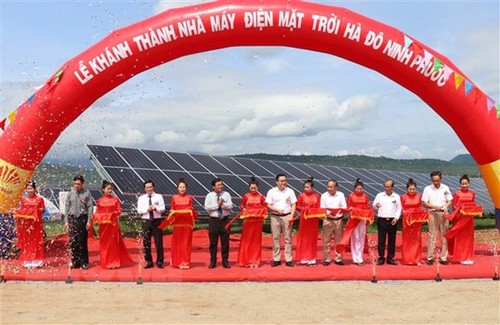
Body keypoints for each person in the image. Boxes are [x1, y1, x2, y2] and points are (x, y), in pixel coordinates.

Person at [92, 180, 133, 269]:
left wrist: (113, 214)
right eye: (108, 189)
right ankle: (105, 262)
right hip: (103, 225)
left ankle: (114, 263)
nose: (110, 190)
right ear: (103, 189)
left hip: (113, 224)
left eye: (111, 189)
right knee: (104, 244)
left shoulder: (115, 199)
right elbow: (98, 212)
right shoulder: (99, 200)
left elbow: (119, 210)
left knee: (113, 244)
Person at [160, 178, 198, 269]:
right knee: (177, 243)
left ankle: (185, 262)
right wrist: (173, 212)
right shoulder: (174, 198)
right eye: (180, 187)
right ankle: (177, 262)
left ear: (186, 188)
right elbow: (172, 209)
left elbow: (191, 210)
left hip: (187, 225)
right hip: (177, 225)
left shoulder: (189, 198)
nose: (182, 189)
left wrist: (190, 211)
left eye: (184, 187)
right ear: (177, 188)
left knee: (186, 243)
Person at [445, 174, 482, 265]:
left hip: (469, 219)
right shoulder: (457, 194)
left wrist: (472, 209)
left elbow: (473, 204)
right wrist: (461, 209)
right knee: (460, 237)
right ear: (460, 184)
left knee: (468, 237)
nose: (464, 185)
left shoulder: (472, 193)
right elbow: (454, 206)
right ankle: (459, 256)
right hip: (459, 218)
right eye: (463, 184)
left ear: (469, 184)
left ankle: (468, 256)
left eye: (466, 184)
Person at [337, 179, 372, 266]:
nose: (359, 190)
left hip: (362, 219)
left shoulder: (365, 196)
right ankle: (355, 258)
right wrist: (352, 209)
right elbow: (348, 206)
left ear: (363, 189)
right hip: (354, 219)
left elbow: (368, 206)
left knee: (361, 238)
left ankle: (360, 257)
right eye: (357, 189)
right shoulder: (351, 196)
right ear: (354, 189)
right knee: (355, 238)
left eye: (361, 189)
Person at [266, 173, 297, 267]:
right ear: (277, 182)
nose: (284, 182)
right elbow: (268, 204)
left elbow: (294, 204)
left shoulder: (290, 191)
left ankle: (288, 259)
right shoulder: (271, 191)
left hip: (287, 216)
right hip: (275, 217)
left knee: (288, 238)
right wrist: (276, 209)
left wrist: (292, 216)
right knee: (275, 238)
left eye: (285, 180)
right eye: (281, 181)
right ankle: (276, 259)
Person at [422, 171, 453, 265]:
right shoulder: (427, 189)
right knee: (432, 235)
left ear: (441, 179)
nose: (435, 182)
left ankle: (443, 257)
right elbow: (424, 203)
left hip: (444, 214)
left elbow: (450, 200)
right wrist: (435, 207)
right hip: (432, 213)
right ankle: (430, 257)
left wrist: (446, 206)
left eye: (437, 180)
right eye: (434, 180)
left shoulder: (445, 188)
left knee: (444, 235)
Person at [237, 176, 267, 268]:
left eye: (255, 188)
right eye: (251, 188)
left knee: (256, 241)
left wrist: (261, 210)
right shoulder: (246, 196)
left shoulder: (261, 197)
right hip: (248, 221)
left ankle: (255, 261)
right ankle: (246, 261)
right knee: (247, 240)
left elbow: (265, 207)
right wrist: (244, 208)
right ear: (249, 187)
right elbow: (241, 205)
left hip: (258, 221)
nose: (253, 189)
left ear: (257, 187)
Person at [14, 181, 45, 268]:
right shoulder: (23, 199)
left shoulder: (39, 199)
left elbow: (43, 210)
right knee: (27, 242)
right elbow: (22, 211)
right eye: (27, 189)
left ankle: (36, 261)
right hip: (26, 225)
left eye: (31, 188)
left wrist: (37, 210)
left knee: (36, 241)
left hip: (36, 224)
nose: (29, 190)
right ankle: (28, 260)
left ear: (34, 189)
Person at [64, 175, 93, 270]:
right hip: (72, 218)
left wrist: (89, 221)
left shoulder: (87, 193)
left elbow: (90, 208)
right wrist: (66, 221)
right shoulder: (70, 193)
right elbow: (67, 207)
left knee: (82, 241)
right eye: (75, 184)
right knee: (73, 241)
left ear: (82, 184)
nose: (76, 186)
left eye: (78, 184)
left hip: (82, 218)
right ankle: (75, 261)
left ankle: (84, 262)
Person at [204, 177, 234, 269]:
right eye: (218, 185)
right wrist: (217, 205)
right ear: (213, 186)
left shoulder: (227, 194)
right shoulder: (209, 196)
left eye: (222, 184)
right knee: (213, 243)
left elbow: (230, 206)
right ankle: (213, 261)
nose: (221, 186)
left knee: (225, 242)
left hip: (225, 220)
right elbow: (207, 207)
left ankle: (225, 261)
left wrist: (223, 204)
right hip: (214, 221)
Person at [137, 180, 165, 269]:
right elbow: (139, 210)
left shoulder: (159, 197)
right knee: (146, 242)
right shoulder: (141, 198)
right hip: (146, 221)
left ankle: (160, 261)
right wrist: (147, 209)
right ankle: (149, 261)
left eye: (150, 187)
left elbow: (163, 209)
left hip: (157, 220)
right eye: (147, 187)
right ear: (144, 188)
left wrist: (156, 209)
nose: (149, 189)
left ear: (153, 187)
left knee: (159, 242)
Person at [373, 179, 402, 265]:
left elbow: (399, 208)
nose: (387, 188)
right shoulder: (379, 195)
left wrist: (396, 218)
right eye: (385, 186)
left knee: (392, 240)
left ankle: (390, 258)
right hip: (382, 219)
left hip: (392, 220)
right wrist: (376, 205)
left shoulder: (396, 196)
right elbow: (374, 205)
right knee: (381, 240)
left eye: (389, 187)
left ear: (392, 187)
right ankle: (381, 257)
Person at [400, 178, 428, 266]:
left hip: (416, 221)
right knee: (407, 240)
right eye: (410, 189)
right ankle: (407, 259)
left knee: (416, 240)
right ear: (407, 189)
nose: (412, 191)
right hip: (407, 221)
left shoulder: (419, 196)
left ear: (416, 189)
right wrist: (407, 213)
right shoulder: (403, 197)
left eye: (414, 189)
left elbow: (420, 208)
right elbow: (401, 209)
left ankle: (416, 259)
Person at [320, 179, 347, 266]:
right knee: (326, 240)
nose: (329, 188)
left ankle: (338, 259)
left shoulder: (341, 195)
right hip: (328, 220)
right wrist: (330, 212)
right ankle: (327, 259)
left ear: (336, 187)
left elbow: (344, 206)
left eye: (331, 187)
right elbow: (322, 207)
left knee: (339, 240)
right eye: (328, 187)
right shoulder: (324, 196)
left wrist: (337, 213)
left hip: (338, 219)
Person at [295, 177, 321, 266]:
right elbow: (297, 206)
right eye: (305, 187)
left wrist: (313, 211)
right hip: (304, 219)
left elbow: (319, 207)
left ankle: (312, 258)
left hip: (313, 220)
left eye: (308, 187)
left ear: (312, 187)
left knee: (312, 239)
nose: (306, 189)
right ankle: (304, 258)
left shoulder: (317, 196)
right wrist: (304, 209)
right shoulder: (301, 196)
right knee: (304, 238)